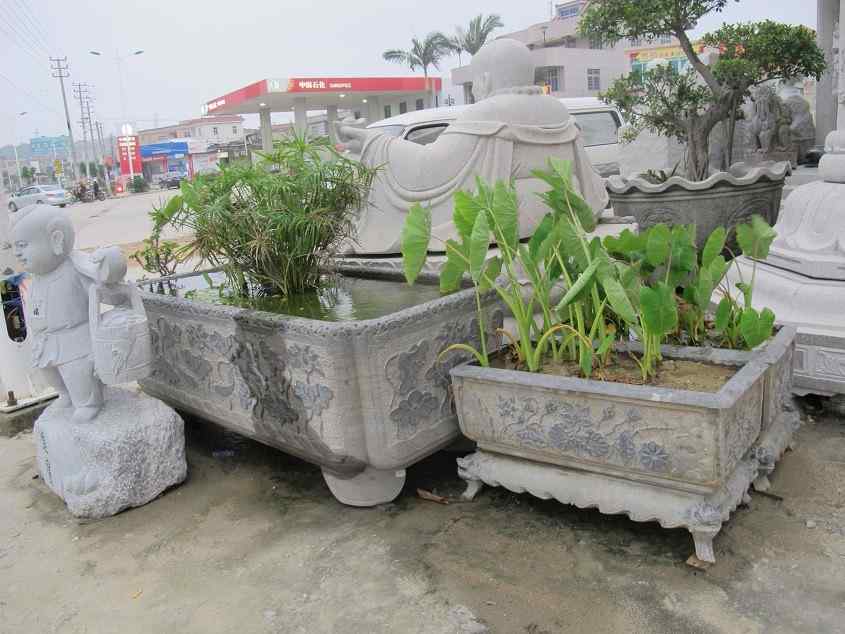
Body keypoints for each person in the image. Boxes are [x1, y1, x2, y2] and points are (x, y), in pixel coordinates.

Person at [335, 38, 607, 254]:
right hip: (551, 217)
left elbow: (429, 167)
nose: (475, 90)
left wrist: (373, 142)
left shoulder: (489, 112)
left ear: (486, 80)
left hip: (507, 225)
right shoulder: (557, 110)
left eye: (475, 81)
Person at [11, 205, 126, 422]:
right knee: (49, 371)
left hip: (75, 338)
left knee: (78, 372)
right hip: (46, 339)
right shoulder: (36, 277)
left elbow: (108, 285)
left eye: (23, 245)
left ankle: (88, 401)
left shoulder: (75, 268)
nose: (17, 253)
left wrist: (108, 263)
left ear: (56, 239)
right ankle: (65, 394)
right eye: (15, 246)